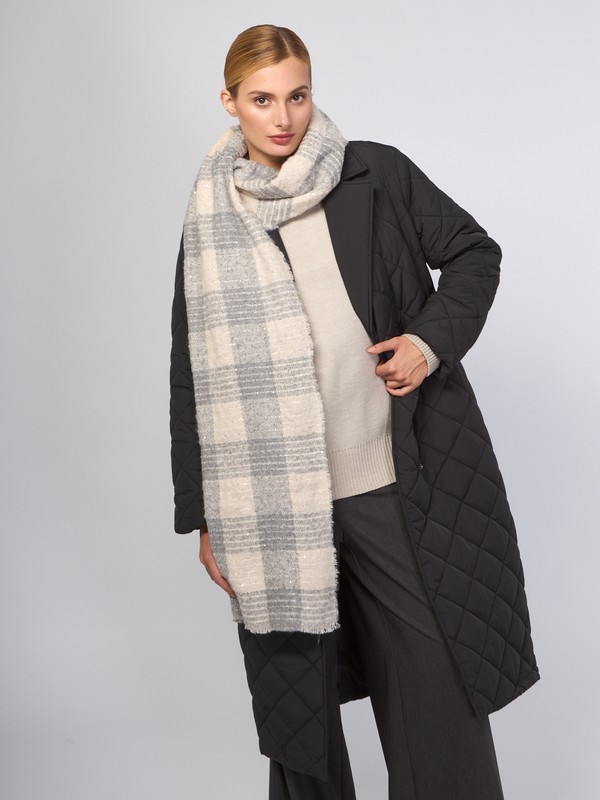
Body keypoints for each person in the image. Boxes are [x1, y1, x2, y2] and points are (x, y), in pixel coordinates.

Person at [170, 24, 540, 800]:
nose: (282, 118)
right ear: (229, 102)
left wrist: (428, 343)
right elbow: (190, 371)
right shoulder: (212, 218)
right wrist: (204, 514)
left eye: (297, 96)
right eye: (262, 100)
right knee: (300, 721)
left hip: (386, 483)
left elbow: (474, 252)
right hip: (272, 506)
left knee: (437, 699)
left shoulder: (374, 172)